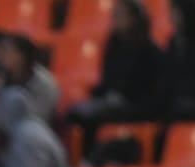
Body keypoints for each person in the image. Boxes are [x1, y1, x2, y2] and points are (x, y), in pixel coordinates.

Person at [68, 1, 167, 157]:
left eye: (120, 15)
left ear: (134, 19)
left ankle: (89, 159)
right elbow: (107, 80)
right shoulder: (114, 45)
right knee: (73, 113)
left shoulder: (151, 52)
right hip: (113, 101)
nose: (115, 20)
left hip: (138, 106)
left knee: (90, 116)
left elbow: (151, 92)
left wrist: (119, 98)